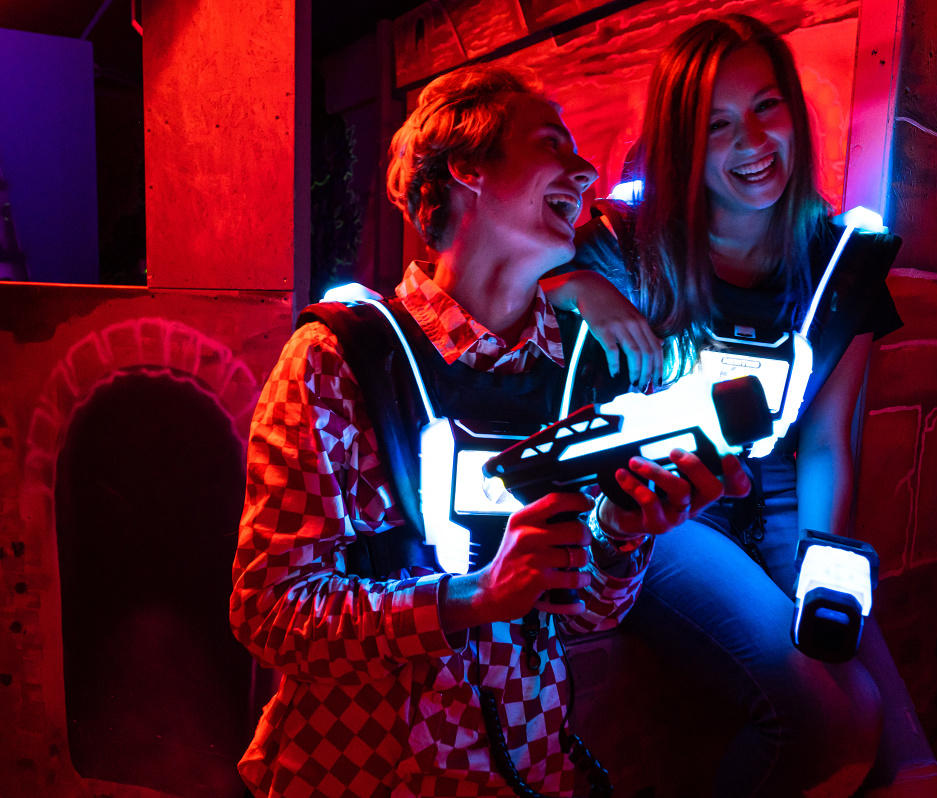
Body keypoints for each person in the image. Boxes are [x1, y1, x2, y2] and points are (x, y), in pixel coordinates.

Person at [229, 65, 750, 798]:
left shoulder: (583, 372)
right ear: (468, 168)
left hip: (528, 775)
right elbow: (269, 612)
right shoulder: (338, 358)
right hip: (359, 777)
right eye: (551, 144)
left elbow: (589, 616)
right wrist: (470, 598)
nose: (586, 171)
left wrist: (622, 533)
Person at [545, 14, 937, 797]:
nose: (752, 143)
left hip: (786, 497)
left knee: (911, 773)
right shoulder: (624, 245)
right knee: (833, 715)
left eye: (767, 107)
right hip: (667, 509)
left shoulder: (841, 263)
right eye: (717, 125)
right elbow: (512, 278)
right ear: (682, 144)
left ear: (795, 110)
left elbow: (826, 443)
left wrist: (821, 569)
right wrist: (576, 284)